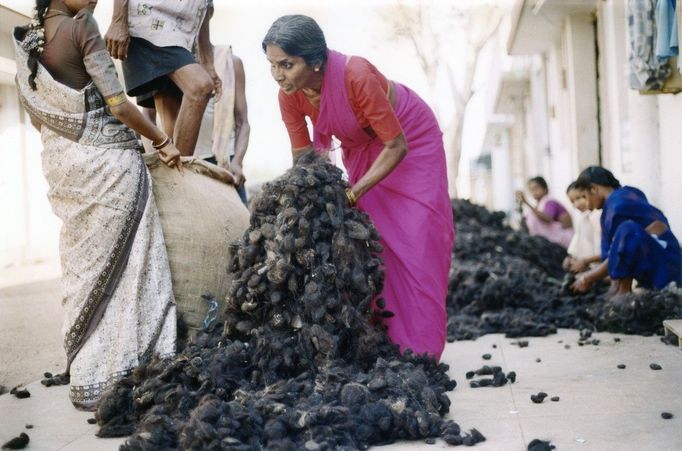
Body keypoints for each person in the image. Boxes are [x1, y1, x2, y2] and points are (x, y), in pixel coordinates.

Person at [13, 0, 180, 410]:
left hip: (63, 164)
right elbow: (118, 104)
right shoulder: (81, 24)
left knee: (85, 268)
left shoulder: (30, 40)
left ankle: (89, 376)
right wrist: (162, 140)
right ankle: (130, 372)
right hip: (107, 166)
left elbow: (40, 118)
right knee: (130, 270)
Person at [262, 15, 454, 360]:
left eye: (286, 65)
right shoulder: (289, 95)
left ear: (316, 61)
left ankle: (421, 350)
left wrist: (351, 193)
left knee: (416, 242)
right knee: (373, 244)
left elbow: (396, 145)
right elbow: (305, 158)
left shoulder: (356, 74)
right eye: (272, 65)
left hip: (409, 140)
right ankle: (384, 343)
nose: (278, 75)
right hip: (362, 149)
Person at [104, 0, 221, 156]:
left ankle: (174, 173)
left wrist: (208, 63)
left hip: (184, 32)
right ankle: (181, 175)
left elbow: (204, 7)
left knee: (171, 126)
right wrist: (118, 20)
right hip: (149, 22)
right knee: (200, 87)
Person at [571, 166, 682, 296]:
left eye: (584, 196)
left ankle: (623, 294)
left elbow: (622, 250)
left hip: (667, 271)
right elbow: (614, 255)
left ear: (594, 189)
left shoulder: (617, 206)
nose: (585, 203)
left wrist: (588, 277)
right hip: (665, 263)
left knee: (627, 230)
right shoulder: (626, 196)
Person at [194, 44, 250, 205]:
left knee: (241, 227)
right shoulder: (168, 61)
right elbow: (149, 115)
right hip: (185, 164)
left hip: (224, 164)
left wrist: (237, 162)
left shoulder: (230, 63)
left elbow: (243, 122)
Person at [516, 176, 573, 248]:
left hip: (562, 241)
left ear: (545, 188)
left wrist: (526, 202)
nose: (534, 192)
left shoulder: (550, 202)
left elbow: (548, 218)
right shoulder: (538, 205)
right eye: (531, 189)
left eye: (536, 188)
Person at [563, 182, 602, 273]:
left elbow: (602, 250)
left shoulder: (599, 216)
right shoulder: (583, 218)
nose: (576, 204)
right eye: (572, 201)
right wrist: (571, 257)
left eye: (579, 198)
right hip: (592, 267)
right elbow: (578, 242)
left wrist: (585, 262)